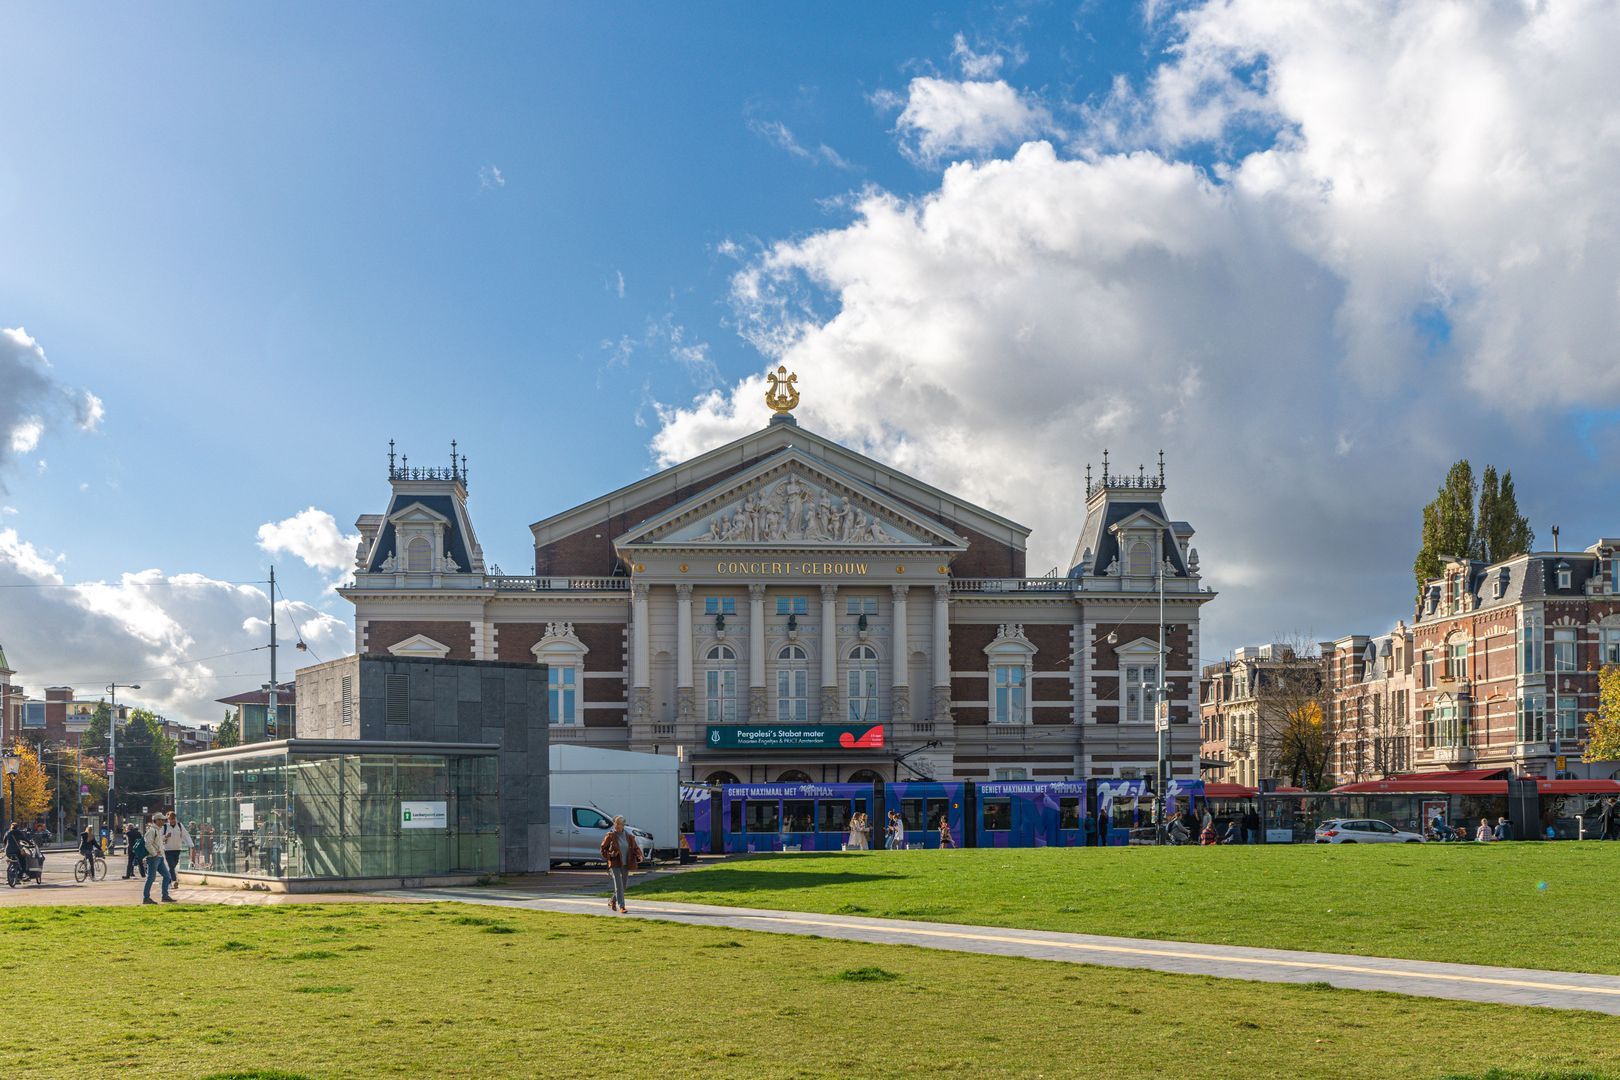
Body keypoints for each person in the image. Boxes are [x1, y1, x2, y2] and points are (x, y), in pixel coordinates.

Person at [599, 814, 641, 914]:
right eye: (615, 823)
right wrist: (611, 855)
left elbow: (635, 848)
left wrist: (639, 855)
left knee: (623, 886)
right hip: (615, 863)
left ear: (623, 825)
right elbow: (602, 849)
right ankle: (622, 906)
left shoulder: (629, 837)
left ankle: (613, 900)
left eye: (619, 824)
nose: (616, 825)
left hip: (626, 864)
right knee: (618, 885)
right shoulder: (610, 835)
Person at [141, 813, 175, 905]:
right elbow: (148, 844)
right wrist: (154, 853)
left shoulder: (157, 830)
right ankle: (146, 898)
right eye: (162, 820)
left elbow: (157, 842)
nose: (164, 821)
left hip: (158, 858)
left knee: (167, 876)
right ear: (157, 820)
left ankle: (165, 896)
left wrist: (165, 837)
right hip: (153, 858)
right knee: (151, 878)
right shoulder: (152, 831)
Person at [163, 811, 193, 876]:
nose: (172, 820)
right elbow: (160, 837)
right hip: (167, 849)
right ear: (168, 819)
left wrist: (190, 844)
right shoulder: (165, 826)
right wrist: (166, 836)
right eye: (170, 819)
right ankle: (174, 880)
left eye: (173, 818)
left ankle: (168, 879)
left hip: (177, 849)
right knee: (171, 865)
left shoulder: (179, 825)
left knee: (173, 865)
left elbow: (185, 835)